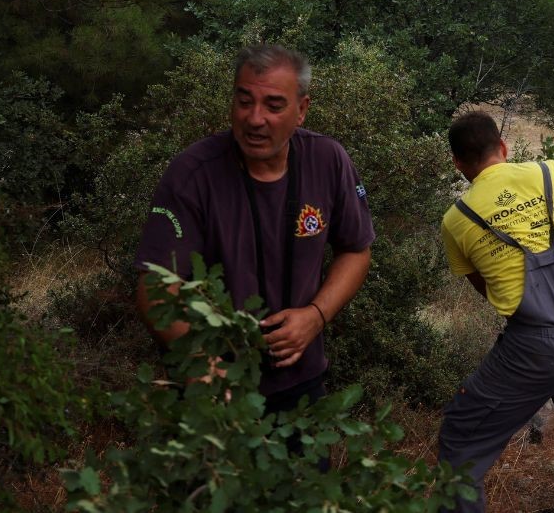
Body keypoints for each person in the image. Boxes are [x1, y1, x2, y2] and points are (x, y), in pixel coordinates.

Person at [134, 43, 375, 414]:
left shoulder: (327, 160)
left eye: (273, 105)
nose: (254, 118)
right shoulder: (192, 175)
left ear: (301, 111)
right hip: (216, 387)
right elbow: (156, 284)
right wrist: (201, 362)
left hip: (303, 383)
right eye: (244, 101)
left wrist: (316, 315)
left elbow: (356, 249)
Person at [438, 111, 554, 513]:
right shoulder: (553, 171)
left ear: (457, 163)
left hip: (536, 345)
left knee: (459, 437)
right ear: (503, 147)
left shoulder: (456, 221)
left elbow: (488, 291)